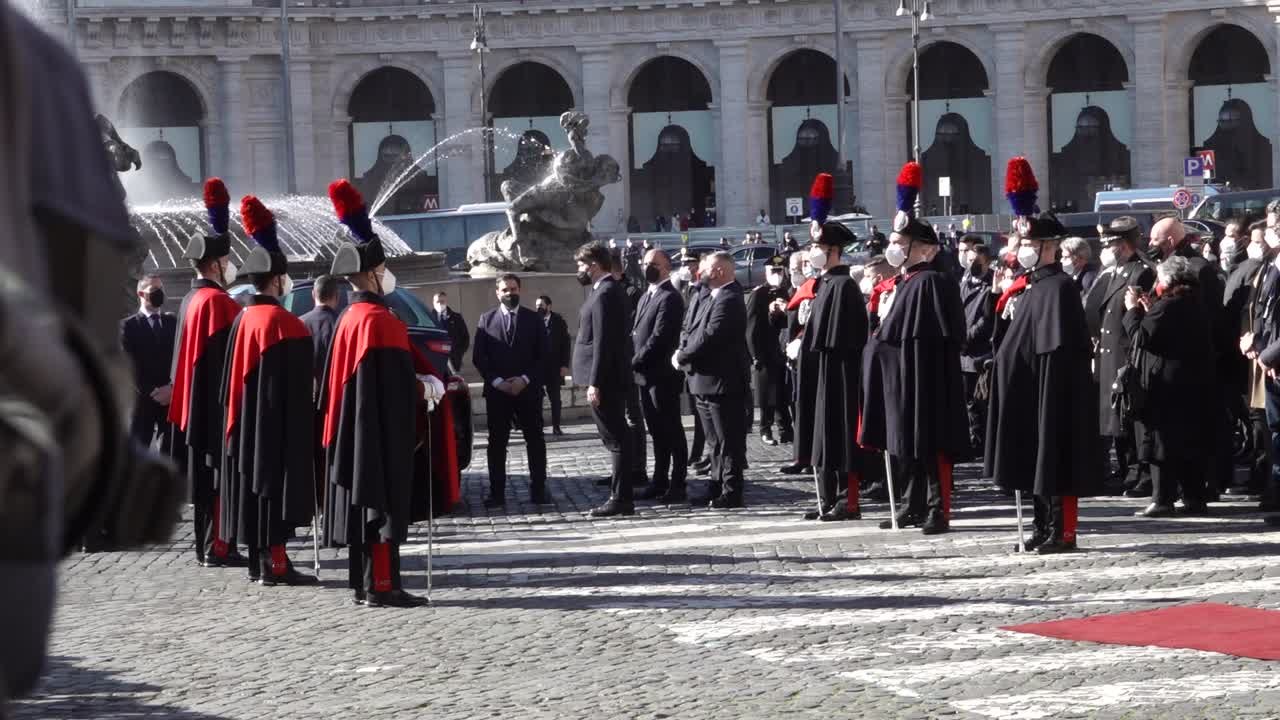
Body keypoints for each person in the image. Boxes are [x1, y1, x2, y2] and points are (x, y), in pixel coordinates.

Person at [321, 179, 443, 608]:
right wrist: (425, 388)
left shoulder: (349, 317)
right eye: (384, 267)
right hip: (378, 433)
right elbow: (395, 386)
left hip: (354, 432)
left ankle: (365, 583)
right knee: (380, 505)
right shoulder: (381, 321)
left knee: (363, 506)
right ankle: (383, 585)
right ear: (372, 273)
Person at [985, 159, 1102, 553]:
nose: (1023, 251)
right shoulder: (1030, 287)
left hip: (1056, 388)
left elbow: (1061, 345)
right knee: (1033, 456)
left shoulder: (1061, 287)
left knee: (1057, 456)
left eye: (1030, 246)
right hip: (1031, 386)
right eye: (1022, 245)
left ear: (1049, 247)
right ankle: (1040, 523)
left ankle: (1062, 530)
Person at [859, 161, 967, 535]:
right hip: (902, 377)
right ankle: (911, 502)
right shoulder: (903, 281)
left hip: (926, 377)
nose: (893, 249)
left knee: (931, 445)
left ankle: (937, 508)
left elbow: (937, 334)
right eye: (893, 243)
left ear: (924, 250)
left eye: (900, 244)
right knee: (905, 443)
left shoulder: (932, 281)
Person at [218, 195, 318, 586]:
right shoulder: (285, 323)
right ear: (276, 280)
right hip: (276, 430)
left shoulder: (243, 319)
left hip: (245, 426)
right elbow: (302, 388)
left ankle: (258, 562)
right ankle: (276, 564)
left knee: (252, 492)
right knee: (275, 494)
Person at [169, 178, 248, 569]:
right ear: (215, 264)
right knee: (217, 478)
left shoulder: (190, 299)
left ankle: (205, 546)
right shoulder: (218, 303)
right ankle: (219, 546)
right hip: (214, 408)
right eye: (227, 260)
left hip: (191, 404)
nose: (230, 266)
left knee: (203, 480)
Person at [1124, 256, 1215, 517]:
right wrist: (1150, 310)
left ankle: (1162, 499)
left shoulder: (1168, 305)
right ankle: (1194, 497)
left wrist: (1132, 310)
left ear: (1168, 280)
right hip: (1194, 382)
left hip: (1167, 383)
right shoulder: (1194, 301)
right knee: (1189, 441)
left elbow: (1141, 337)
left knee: (1162, 441)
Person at [1085, 217, 1155, 496]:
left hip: (1126, 354)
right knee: (1116, 418)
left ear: (1123, 244)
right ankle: (1127, 469)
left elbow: (1137, 317)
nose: (1106, 249)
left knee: (1129, 416)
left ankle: (1139, 472)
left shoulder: (1141, 272)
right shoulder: (1116, 271)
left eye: (1110, 243)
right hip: (1109, 353)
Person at [805, 223, 869, 521]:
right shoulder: (826, 283)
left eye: (817, 247)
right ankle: (826, 497)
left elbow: (848, 336)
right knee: (824, 435)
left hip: (841, 372)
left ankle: (848, 501)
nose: (813, 252)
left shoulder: (844, 286)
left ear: (833, 250)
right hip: (825, 370)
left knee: (842, 436)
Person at [676, 251, 750, 508]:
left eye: (705, 268)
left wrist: (684, 355)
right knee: (714, 440)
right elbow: (691, 328)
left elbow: (711, 334)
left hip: (722, 382)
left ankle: (731, 490)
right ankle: (716, 485)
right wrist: (682, 349)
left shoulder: (729, 298)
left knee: (728, 439)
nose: (700, 272)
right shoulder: (710, 295)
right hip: (704, 379)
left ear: (719, 271)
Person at [473, 274, 549, 507]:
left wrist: (524, 379)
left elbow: (544, 355)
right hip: (498, 393)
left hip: (528, 391)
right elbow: (479, 357)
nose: (509, 293)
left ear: (520, 290)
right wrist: (498, 382)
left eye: (513, 289)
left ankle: (539, 491)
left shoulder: (533, 319)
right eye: (505, 290)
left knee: (535, 441)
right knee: (497, 444)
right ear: (498, 293)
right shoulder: (486, 320)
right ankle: (496, 494)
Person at [574, 242, 636, 517]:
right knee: (616, 437)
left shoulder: (605, 293)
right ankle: (621, 494)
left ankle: (621, 498)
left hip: (606, 379)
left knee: (616, 438)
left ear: (594, 265)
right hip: (608, 377)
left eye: (581, 264)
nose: (578, 269)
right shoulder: (606, 290)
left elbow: (603, 342)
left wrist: (595, 382)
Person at [631, 248, 689, 502]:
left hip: (662, 375)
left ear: (666, 267)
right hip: (645, 376)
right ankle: (659, 480)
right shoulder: (646, 296)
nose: (647, 268)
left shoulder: (670, 297)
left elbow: (660, 337)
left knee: (671, 429)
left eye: (653, 264)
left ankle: (678, 483)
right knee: (656, 430)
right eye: (645, 263)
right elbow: (636, 332)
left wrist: (635, 361)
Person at [120, 274, 176, 451]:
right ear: (141, 294)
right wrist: (153, 392)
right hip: (142, 404)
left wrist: (172, 388)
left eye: (161, 289)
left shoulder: (172, 323)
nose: (160, 293)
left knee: (170, 454)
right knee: (137, 454)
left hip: (170, 402)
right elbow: (128, 367)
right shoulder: (127, 327)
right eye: (154, 290)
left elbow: (180, 358)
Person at [779, 248, 820, 478]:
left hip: (810, 357)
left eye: (804, 265)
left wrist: (800, 341)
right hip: (794, 358)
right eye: (796, 267)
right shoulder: (796, 291)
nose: (799, 271)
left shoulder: (817, 288)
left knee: (809, 408)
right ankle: (801, 455)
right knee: (797, 407)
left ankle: (811, 457)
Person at [747, 255, 793, 446]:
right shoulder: (759, 293)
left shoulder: (787, 291)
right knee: (766, 395)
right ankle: (765, 429)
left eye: (780, 270)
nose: (777, 274)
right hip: (764, 351)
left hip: (782, 351)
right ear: (766, 272)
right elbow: (751, 327)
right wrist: (754, 354)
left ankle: (785, 429)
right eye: (773, 271)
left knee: (782, 394)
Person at [958, 237, 994, 458]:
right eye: (969, 259)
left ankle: (981, 442)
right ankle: (973, 439)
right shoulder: (964, 282)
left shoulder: (990, 285)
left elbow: (986, 320)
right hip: (963, 352)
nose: (971, 264)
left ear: (986, 262)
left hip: (978, 351)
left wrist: (966, 338)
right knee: (967, 401)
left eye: (976, 261)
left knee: (979, 401)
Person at [676, 248, 709, 471]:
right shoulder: (685, 288)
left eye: (690, 263)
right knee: (696, 410)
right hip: (686, 354)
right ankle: (697, 452)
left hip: (699, 356)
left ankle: (702, 453)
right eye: (684, 263)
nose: (686, 267)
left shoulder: (704, 289)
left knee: (703, 413)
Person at [535, 295, 571, 436]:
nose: (538, 308)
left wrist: (564, 365)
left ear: (549, 306)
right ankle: (538, 427)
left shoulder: (559, 321)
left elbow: (566, 344)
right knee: (537, 398)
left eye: (541, 305)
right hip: (538, 367)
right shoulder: (533, 320)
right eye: (537, 306)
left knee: (555, 398)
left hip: (554, 367)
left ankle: (556, 426)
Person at [300, 274, 341, 388]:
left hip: (305, 391)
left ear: (313, 294)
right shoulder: (342, 324)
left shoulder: (298, 323)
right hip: (333, 390)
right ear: (337, 296)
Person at [428, 290, 470, 373]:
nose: (440, 304)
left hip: (453, 360)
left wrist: (458, 353)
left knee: (454, 379)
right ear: (433, 303)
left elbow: (465, 337)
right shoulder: (428, 318)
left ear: (446, 302)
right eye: (438, 302)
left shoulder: (456, 318)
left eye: (442, 301)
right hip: (435, 360)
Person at [1060, 236, 1099, 301]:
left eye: (1066, 257)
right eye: (1062, 257)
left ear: (1081, 259)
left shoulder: (1089, 279)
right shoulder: (1073, 276)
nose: (1061, 260)